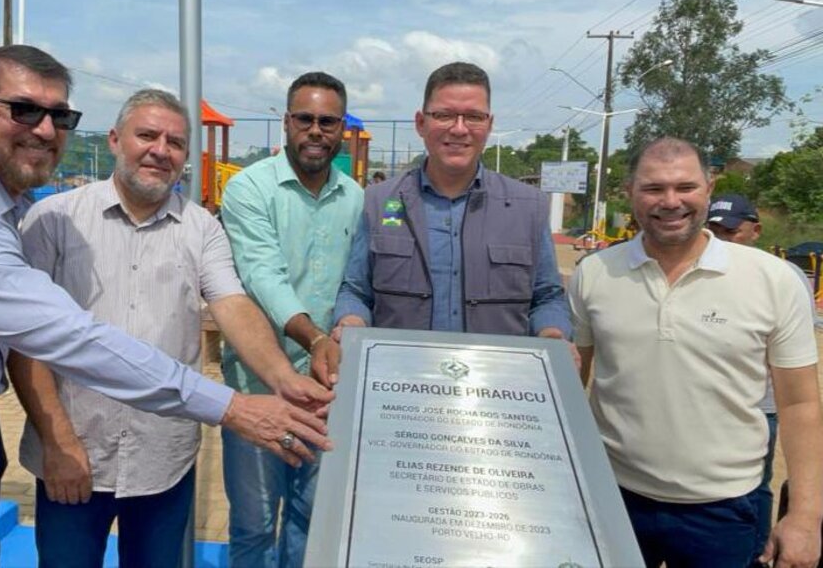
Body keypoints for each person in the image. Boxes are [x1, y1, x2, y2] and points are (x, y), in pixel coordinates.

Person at [0, 45, 331, 567]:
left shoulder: (20, 206)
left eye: (58, 115)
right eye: (23, 109)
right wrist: (232, 407)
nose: (43, 129)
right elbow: (56, 336)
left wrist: (282, 380)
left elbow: (231, 300)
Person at [8, 89, 333, 567]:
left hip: (162, 457)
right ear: (116, 139)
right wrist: (56, 442)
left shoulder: (200, 227)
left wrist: (284, 380)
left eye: (176, 142)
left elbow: (233, 304)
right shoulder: (54, 219)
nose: (161, 150)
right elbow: (24, 341)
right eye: (147, 135)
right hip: (75, 453)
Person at [569, 137, 823, 568]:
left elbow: (799, 404)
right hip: (614, 499)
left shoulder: (772, 279)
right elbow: (573, 383)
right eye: (653, 188)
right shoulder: (593, 274)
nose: (671, 201)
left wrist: (806, 516)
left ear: (709, 187)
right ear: (629, 191)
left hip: (724, 510)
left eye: (685, 187)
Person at [220, 72, 363, 568]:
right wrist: (316, 335)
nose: (316, 131)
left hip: (327, 389)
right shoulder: (248, 189)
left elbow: (357, 285)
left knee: (313, 518)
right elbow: (264, 275)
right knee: (255, 525)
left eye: (328, 121)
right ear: (286, 123)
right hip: (258, 384)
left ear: (342, 127)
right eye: (305, 119)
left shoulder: (357, 197)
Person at [333, 62, 572, 348]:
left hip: (497, 383)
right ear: (421, 123)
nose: (459, 129)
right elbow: (356, 291)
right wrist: (351, 321)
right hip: (400, 380)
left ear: (489, 125)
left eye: (473, 117)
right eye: (444, 115)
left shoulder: (528, 208)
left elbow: (547, 297)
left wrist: (553, 335)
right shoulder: (380, 202)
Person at [708, 193, 821, 567]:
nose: (721, 238)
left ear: (754, 230)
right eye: (713, 229)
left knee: (754, 487)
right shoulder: (704, 268)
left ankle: (756, 552)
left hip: (762, 406)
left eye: (730, 230)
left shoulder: (782, 276)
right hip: (714, 402)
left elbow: (794, 357)